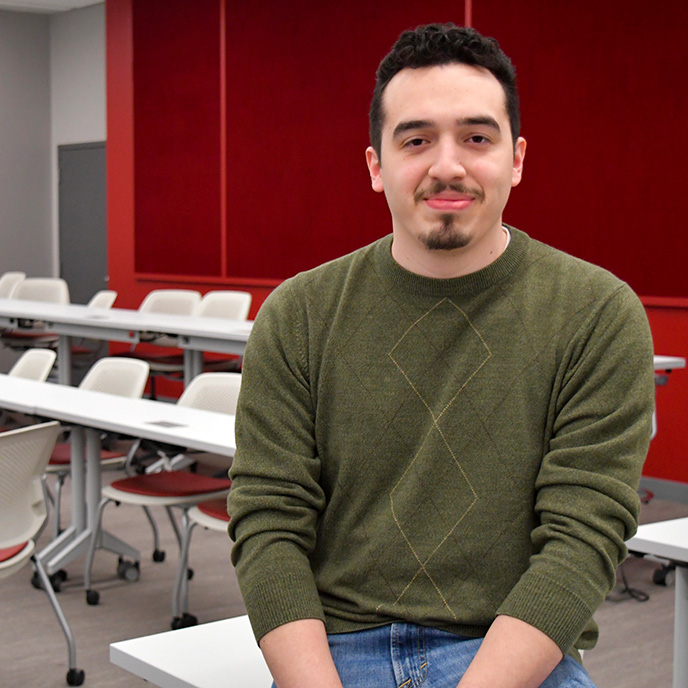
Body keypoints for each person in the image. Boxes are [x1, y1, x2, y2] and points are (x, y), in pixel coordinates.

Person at [227, 23, 655, 688]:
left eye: (477, 139)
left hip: (509, 653)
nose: (448, 165)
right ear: (376, 165)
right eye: (417, 139)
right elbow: (269, 520)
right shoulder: (299, 313)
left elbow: (582, 538)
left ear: (516, 158)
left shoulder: (596, 313)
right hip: (337, 650)